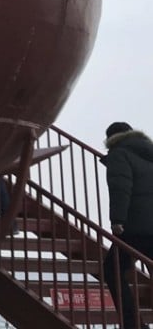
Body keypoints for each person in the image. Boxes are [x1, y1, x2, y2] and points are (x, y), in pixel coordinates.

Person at [102, 121, 153, 329]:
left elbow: (121, 187)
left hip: (136, 226)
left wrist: (117, 220)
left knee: (112, 270)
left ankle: (132, 324)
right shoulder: (149, 154)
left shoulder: (119, 154)